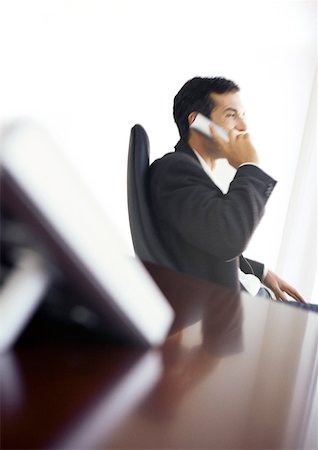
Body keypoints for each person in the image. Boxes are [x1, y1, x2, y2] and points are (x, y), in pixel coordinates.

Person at [149, 76, 316, 310]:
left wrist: (261, 271)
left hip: (254, 301)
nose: (243, 127)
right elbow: (229, 236)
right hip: (244, 313)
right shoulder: (175, 169)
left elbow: (206, 242)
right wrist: (249, 166)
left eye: (243, 115)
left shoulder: (190, 171)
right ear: (197, 122)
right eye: (231, 115)